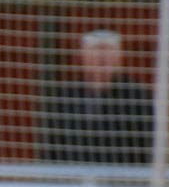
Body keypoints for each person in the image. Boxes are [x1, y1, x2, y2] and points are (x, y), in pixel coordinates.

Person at [42, 28, 153, 163]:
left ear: (120, 57)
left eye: (109, 49)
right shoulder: (65, 96)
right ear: (83, 56)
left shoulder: (136, 95)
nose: (102, 56)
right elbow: (52, 144)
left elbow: (148, 144)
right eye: (96, 49)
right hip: (74, 174)